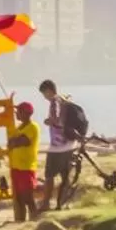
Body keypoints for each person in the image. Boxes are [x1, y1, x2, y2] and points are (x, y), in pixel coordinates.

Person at [38, 81, 79, 210]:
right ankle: (63, 203)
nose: (44, 97)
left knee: (49, 176)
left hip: (58, 146)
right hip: (69, 144)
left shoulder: (54, 101)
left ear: (49, 90)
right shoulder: (65, 100)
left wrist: (48, 121)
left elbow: (56, 119)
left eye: (44, 93)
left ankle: (46, 204)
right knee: (65, 176)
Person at [7, 100, 40, 223]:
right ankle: (21, 221)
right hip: (16, 166)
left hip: (26, 167)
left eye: (19, 111)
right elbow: (11, 143)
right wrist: (13, 141)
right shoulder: (19, 127)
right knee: (19, 198)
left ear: (26, 113)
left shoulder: (32, 127)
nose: (16, 114)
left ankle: (35, 220)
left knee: (28, 197)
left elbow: (21, 142)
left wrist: (14, 141)